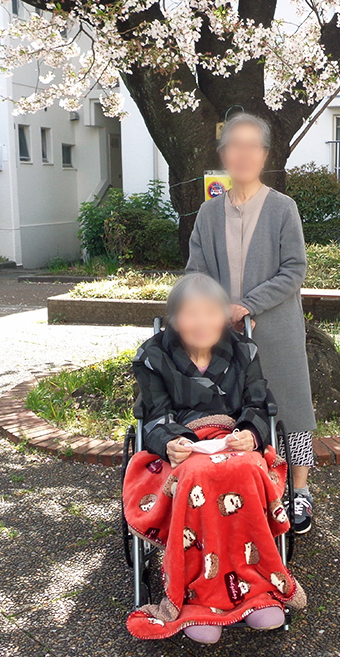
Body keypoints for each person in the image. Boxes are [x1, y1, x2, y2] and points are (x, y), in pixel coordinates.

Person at [123, 273, 305, 644]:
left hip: (234, 441)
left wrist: (251, 434)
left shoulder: (243, 350)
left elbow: (259, 403)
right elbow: (154, 414)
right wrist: (171, 442)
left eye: (211, 313)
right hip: (182, 448)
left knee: (249, 468)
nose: (202, 322)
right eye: (191, 314)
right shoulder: (153, 356)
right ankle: (195, 597)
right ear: (174, 319)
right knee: (195, 476)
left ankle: (257, 588)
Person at [187, 112, 318, 534]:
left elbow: (294, 269)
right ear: (223, 154)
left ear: (264, 154)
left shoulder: (282, 208)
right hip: (222, 334)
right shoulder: (208, 213)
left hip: (276, 328)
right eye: (233, 145)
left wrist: (246, 305)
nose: (242, 154)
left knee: (292, 409)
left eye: (251, 146)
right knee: (229, 412)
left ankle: (299, 492)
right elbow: (196, 272)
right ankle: (239, 491)